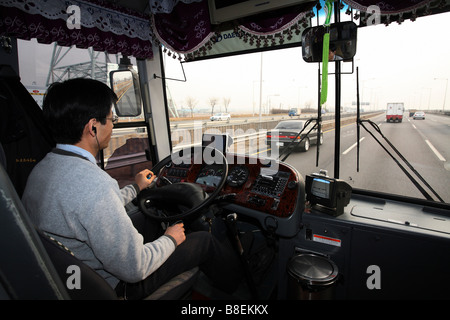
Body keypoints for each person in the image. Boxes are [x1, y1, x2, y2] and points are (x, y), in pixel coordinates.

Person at [22, 78, 240, 299]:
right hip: (118, 285)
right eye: (111, 119)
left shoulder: (41, 170)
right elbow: (135, 268)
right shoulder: (95, 184)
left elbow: (91, 206)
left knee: (148, 218)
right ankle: (239, 287)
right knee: (202, 241)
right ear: (93, 127)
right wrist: (171, 238)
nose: (114, 125)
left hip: (73, 279)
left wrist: (136, 188)